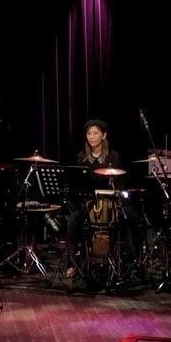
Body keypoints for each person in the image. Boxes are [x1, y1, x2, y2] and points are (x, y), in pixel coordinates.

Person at [65, 119, 126, 278]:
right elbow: (75, 183)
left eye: (95, 133)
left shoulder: (113, 156)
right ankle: (73, 263)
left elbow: (120, 184)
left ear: (103, 135)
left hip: (110, 202)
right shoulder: (81, 157)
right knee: (72, 221)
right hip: (88, 203)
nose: (91, 137)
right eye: (89, 133)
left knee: (131, 219)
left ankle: (129, 262)